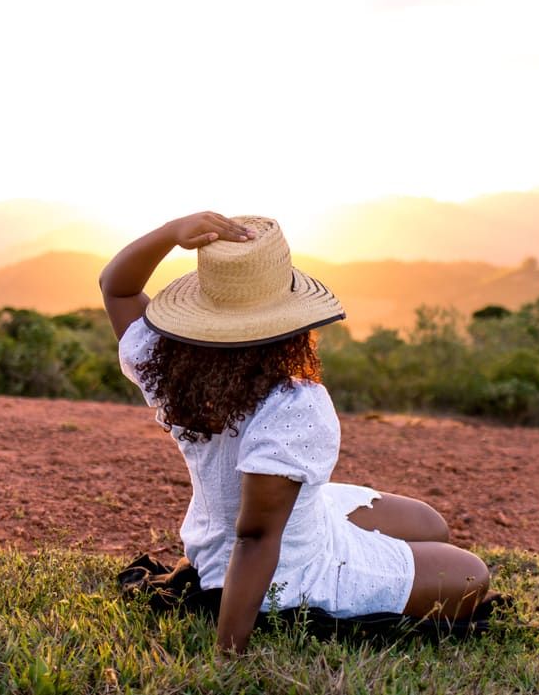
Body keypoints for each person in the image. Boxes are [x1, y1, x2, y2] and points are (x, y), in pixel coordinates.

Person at [99, 212, 492, 655]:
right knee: (470, 575)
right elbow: (256, 539)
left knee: (430, 524)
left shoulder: (167, 365)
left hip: (220, 545)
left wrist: (172, 233)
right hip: (280, 573)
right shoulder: (295, 405)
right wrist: (229, 654)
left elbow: (118, 287)